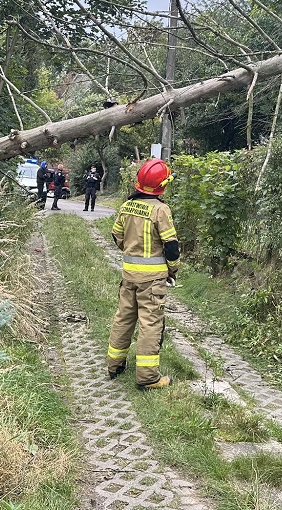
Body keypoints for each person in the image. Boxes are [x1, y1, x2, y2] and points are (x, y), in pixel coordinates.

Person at [106, 158, 179, 390]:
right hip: (152, 281)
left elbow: (116, 235)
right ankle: (148, 378)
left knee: (124, 318)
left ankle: (114, 365)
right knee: (150, 324)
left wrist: (130, 252)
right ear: (162, 185)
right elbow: (171, 246)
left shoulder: (127, 206)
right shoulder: (160, 209)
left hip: (129, 276)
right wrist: (173, 269)